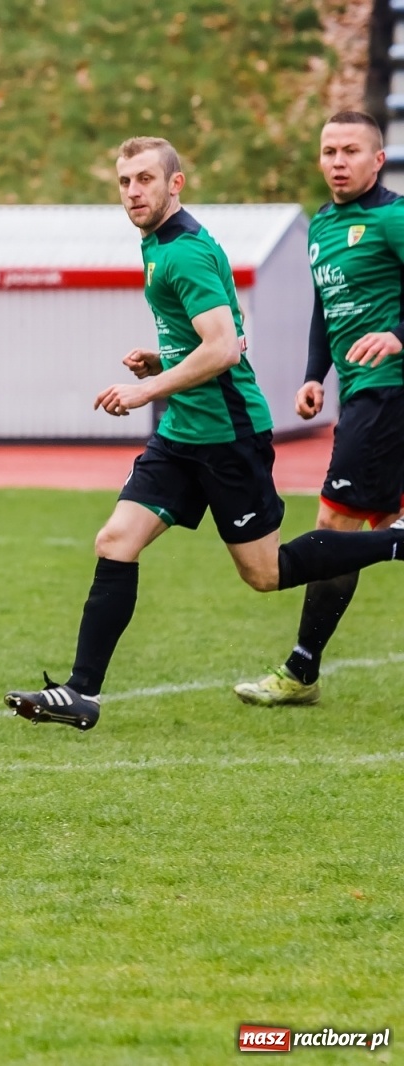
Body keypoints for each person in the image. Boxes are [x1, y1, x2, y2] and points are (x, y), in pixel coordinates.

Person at [4, 137, 404, 731]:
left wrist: (147, 390)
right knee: (115, 540)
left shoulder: (184, 251)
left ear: (176, 183)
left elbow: (222, 349)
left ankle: (396, 541)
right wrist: (160, 359)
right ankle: (81, 692)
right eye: (124, 182)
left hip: (226, 436)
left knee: (265, 573)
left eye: (145, 179)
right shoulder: (158, 243)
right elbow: (216, 335)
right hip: (182, 435)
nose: (133, 192)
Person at [235, 111, 404, 706]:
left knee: (335, 524)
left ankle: (301, 670)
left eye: (350, 150)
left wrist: (398, 335)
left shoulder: (394, 218)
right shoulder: (323, 226)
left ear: (378, 160)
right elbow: (324, 308)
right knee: (380, 521)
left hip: (388, 391)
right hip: (361, 391)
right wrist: (315, 374)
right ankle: (302, 670)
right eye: (329, 151)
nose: (337, 161)